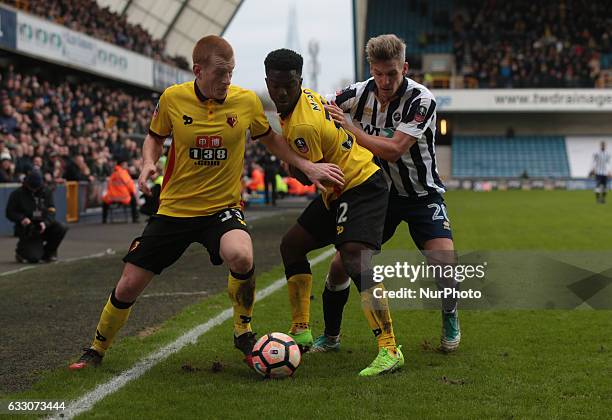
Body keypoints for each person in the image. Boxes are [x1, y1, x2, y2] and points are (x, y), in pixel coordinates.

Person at [69, 35, 343, 370]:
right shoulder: (172, 98)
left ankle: (243, 331)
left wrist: (306, 165)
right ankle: (96, 349)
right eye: (220, 74)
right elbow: (154, 137)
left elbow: (271, 139)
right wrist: (147, 163)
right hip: (174, 210)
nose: (227, 81)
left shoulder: (245, 102)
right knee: (129, 284)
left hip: (221, 209)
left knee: (241, 255)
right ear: (198, 70)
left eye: (231, 73)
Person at [315, 34, 461, 353]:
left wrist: (351, 130)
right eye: (379, 73)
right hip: (378, 195)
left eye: (392, 73)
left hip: (422, 194)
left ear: (405, 68)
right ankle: (331, 335)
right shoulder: (356, 93)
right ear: (371, 68)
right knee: (341, 262)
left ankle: (450, 315)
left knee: (444, 263)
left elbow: (394, 149)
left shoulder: (422, 100)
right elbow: (318, 108)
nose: (384, 81)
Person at [264, 48, 404, 376]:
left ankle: (390, 348)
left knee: (354, 258)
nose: (282, 92)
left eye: (289, 85)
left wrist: (288, 160)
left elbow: (309, 174)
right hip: (339, 190)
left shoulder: (301, 126)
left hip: (360, 185)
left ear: (300, 81)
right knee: (292, 245)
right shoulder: (308, 97)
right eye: (275, 85)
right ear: (267, 81)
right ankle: (301, 330)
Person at [5, 169, 68, 263]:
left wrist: (45, 223)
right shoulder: (17, 194)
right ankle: (21, 252)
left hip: (43, 224)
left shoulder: (46, 191)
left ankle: (48, 253)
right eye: (32, 187)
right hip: (27, 228)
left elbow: (51, 210)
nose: (34, 190)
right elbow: (9, 212)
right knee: (33, 258)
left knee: (61, 228)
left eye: (36, 187)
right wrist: (22, 218)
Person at [102, 155, 139, 223]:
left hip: (111, 198)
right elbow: (130, 186)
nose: (127, 166)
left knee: (104, 201)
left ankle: (104, 219)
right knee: (133, 199)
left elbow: (109, 186)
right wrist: (133, 193)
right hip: (123, 198)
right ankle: (135, 218)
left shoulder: (113, 174)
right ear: (122, 164)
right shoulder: (123, 173)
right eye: (126, 164)